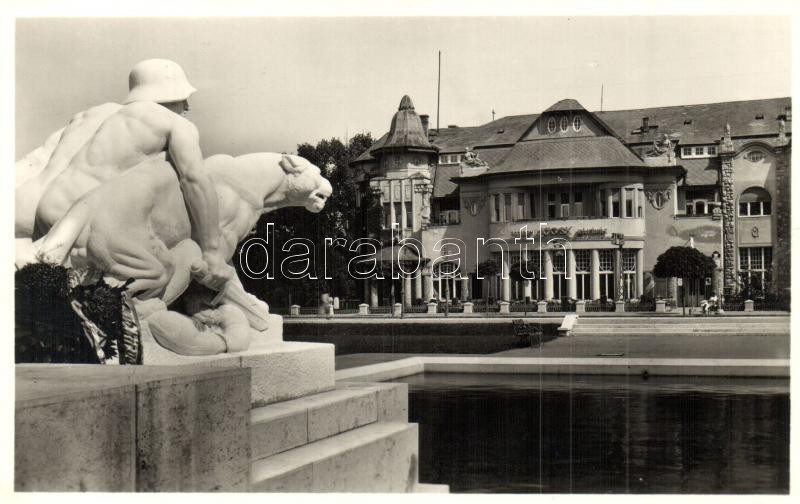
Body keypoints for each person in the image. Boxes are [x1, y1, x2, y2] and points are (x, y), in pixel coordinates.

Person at [29, 59, 232, 291]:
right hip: (92, 221)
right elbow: (194, 180)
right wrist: (212, 251)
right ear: (167, 94)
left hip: (51, 208)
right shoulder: (175, 123)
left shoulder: (112, 117)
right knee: (161, 270)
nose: (186, 106)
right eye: (182, 98)